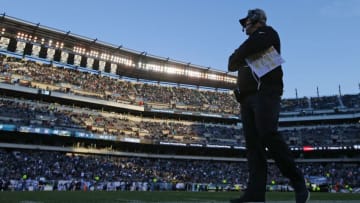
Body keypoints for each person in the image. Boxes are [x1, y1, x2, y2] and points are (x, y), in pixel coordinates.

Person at [228, 8, 310, 203]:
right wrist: (239, 54)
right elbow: (231, 63)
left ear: (256, 20)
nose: (244, 26)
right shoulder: (252, 42)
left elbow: (244, 51)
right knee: (253, 147)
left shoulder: (268, 33)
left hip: (265, 94)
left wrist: (239, 53)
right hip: (246, 98)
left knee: (267, 134)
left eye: (247, 22)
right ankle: (255, 194)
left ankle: (298, 182)